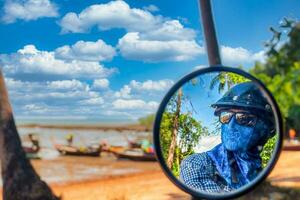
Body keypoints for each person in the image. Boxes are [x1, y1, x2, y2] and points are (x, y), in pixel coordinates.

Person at [180, 82, 275, 193]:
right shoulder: (197, 165)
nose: (231, 126)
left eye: (244, 118)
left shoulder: (259, 172)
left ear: (269, 129)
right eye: (226, 116)